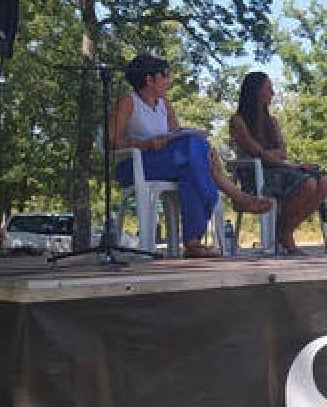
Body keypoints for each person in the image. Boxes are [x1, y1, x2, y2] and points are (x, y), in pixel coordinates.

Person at [109, 54, 270, 258]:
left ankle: (193, 243)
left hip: (167, 164)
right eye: (164, 75)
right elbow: (110, 141)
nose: (168, 81)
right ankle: (233, 192)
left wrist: (202, 149)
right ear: (149, 79)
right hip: (135, 165)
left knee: (193, 165)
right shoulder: (128, 102)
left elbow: (178, 137)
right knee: (194, 148)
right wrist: (145, 143)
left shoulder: (164, 105)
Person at [229, 71, 327, 255]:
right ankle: (285, 233)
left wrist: (276, 158)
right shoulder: (238, 121)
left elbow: (282, 152)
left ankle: (285, 229)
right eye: (269, 88)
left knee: (323, 183)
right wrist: (288, 164)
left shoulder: (272, 122)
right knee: (308, 183)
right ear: (256, 92)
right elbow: (257, 153)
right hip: (256, 174)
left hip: (280, 169)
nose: (272, 93)